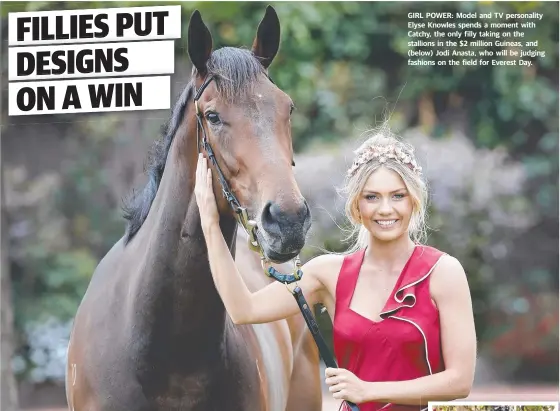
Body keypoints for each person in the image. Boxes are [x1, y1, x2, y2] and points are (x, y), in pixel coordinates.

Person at [194, 126, 477, 411]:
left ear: (414, 201)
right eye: (371, 197)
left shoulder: (444, 273)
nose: (385, 209)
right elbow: (244, 310)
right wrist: (209, 223)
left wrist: (368, 390)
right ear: (356, 206)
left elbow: (459, 381)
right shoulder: (328, 274)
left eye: (398, 196)